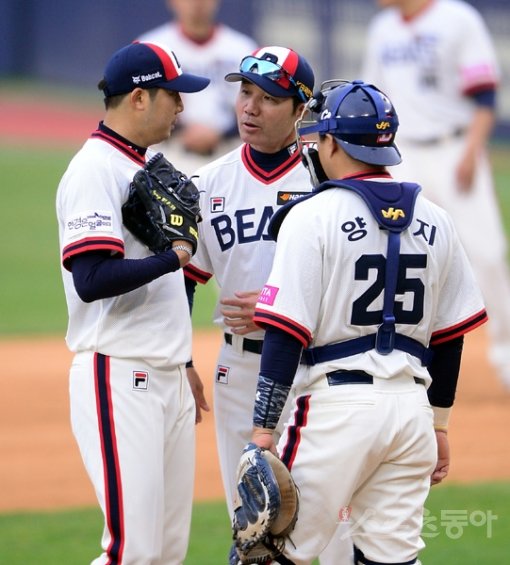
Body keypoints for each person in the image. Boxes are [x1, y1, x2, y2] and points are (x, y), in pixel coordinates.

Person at [247, 80, 488, 564]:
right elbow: (449, 337)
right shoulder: (437, 219)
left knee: (264, 551)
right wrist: (438, 425)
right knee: (390, 557)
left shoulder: (311, 216)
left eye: (318, 138)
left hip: (336, 413)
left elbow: (286, 331)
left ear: (333, 143)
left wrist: (262, 430)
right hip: (412, 415)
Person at [184, 46, 353, 564]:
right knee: (255, 525)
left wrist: (279, 306)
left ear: (302, 110)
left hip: (316, 370)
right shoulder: (208, 183)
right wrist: (182, 357)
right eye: (245, 93)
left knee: (335, 530)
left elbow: (354, 281)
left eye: (269, 98)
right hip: (239, 371)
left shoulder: (327, 181)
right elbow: (186, 281)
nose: (250, 108)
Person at [56, 41, 210, 564]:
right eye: (173, 95)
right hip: (120, 374)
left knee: (166, 552)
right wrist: (175, 257)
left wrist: (183, 359)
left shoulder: (139, 163)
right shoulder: (94, 170)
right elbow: (91, 277)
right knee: (133, 552)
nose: (182, 107)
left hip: (165, 375)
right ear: (139, 99)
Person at [362, 0, 510, 390]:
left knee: (487, 253)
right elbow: (372, 97)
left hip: (455, 147)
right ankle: (398, 358)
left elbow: (485, 97)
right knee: (401, 254)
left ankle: (507, 356)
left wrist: (472, 151)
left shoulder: (458, 19)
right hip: (404, 152)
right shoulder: (382, 29)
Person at [137, 0, 258, 157]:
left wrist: (221, 133)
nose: (197, 3)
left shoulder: (243, 48)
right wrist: (179, 128)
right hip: (168, 151)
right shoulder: (150, 47)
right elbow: (138, 108)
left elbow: (257, 104)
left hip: (229, 151)